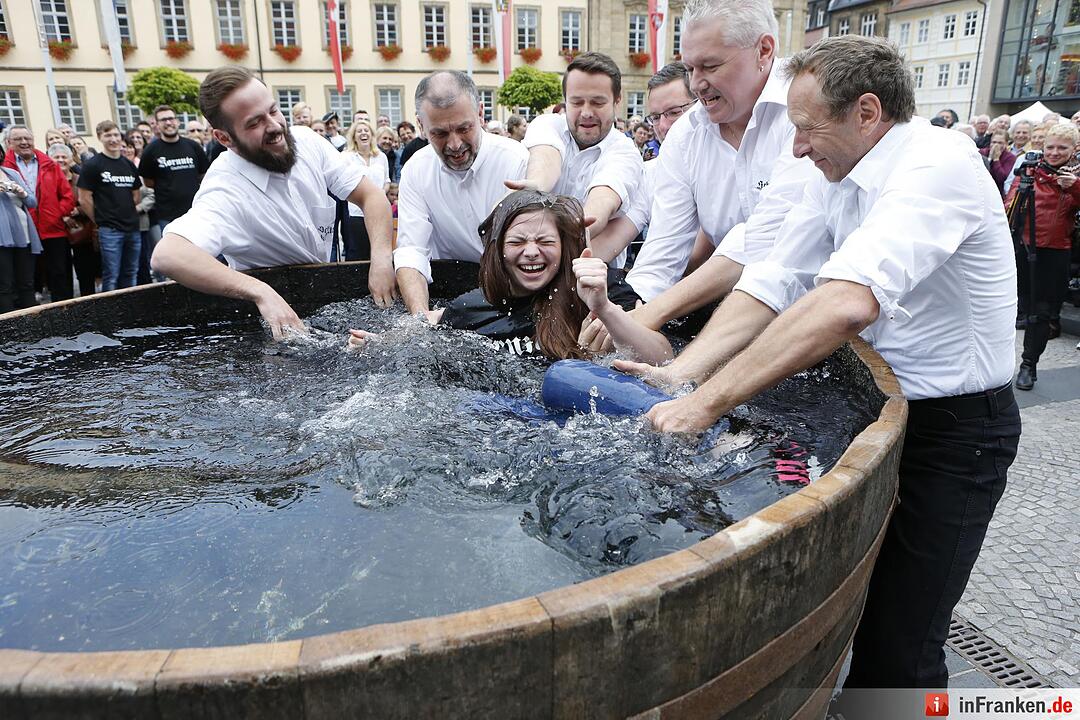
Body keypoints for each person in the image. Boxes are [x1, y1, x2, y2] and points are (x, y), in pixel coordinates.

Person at [618, 36, 1020, 695]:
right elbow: (774, 280)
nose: (797, 147)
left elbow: (843, 304)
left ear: (867, 112)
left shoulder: (937, 162)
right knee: (856, 604)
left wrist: (708, 403)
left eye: (806, 129)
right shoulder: (830, 169)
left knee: (903, 643)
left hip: (956, 434)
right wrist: (684, 372)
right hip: (879, 413)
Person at [151, 66, 395, 338]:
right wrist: (260, 291)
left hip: (326, 302)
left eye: (274, 110)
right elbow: (168, 255)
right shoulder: (225, 188)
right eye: (254, 123)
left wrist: (382, 258)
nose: (275, 127)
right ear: (223, 138)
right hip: (270, 324)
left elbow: (370, 196)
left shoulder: (306, 141)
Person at [618, 0, 815, 336]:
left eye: (709, 66)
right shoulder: (685, 135)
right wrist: (626, 311)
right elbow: (663, 253)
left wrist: (654, 313)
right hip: (731, 316)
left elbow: (767, 236)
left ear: (763, 50)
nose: (696, 84)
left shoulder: (806, 111)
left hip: (814, 320)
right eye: (690, 68)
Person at [349, 190, 664, 361]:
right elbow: (428, 323)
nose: (530, 252)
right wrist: (382, 344)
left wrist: (606, 310)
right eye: (517, 242)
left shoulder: (599, 288)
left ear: (564, 247)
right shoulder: (473, 309)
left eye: (545, 242)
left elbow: (663, 357)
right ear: (498, 252)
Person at [393, 70, 529, 315]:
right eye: (440, 133)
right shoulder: (416, 169)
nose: (455, 144)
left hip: (514, 288)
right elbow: (411, 250)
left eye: (464, 128)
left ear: (480, 113)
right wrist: (420, 318)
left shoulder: (516, 160)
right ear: (421, 126)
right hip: (450, 288)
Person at [513, 51, 644, 264]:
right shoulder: (547, 124)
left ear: (616, 101)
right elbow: (546, 158)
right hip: (533, 267)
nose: (586, 113)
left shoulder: (625, 151)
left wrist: (578, 225)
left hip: (595, 276)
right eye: (576, 102)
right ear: (565, 101)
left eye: (597, 103)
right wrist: (535, 187)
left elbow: (603, 198)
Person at [1006, 122, 1080, 390]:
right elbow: (1009, 205)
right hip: (1024, 249)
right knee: (1018, 306)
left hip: (1054, 253)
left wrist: (1074, 187)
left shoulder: (1075, 178)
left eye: (1062, 147)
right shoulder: (1029, 171)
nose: (1054, 152)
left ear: (1073, 150)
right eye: (1050, 146)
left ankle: (1029, 364)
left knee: (1041, 313)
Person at [2, 125, 77, 301]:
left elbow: (66, 195)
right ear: (8, 143)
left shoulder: (50, 164)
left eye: (27, 138)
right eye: (18, 139)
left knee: (59, 273)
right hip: (22, 231)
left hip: (53, 229)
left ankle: (63, 313)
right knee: (25, 277)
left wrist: (56, 214)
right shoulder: (5, 166)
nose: (24, 142)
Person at [78, 121, 142, 291]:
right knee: (112, 275)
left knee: (130, 272)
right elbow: (84, 199)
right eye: (108, 135)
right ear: (99, 137)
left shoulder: (128, 164)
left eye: (115, 135)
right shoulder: (93, 165)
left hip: (132, 228)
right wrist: (99, 219)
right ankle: (110, 314)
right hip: (110, 230)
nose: (113, 139)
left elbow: (136, 195)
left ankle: (130, 310)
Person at [139, 104, 209, 236]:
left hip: (196, 212)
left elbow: (203, 176)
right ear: (157, 125)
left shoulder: (193, 147)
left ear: (178, 121)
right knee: (174, 255)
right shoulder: (150, 151)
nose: (168, 122)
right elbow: (148, 182)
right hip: (167, 216)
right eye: (163, 120)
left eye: (171, 118)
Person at [48, 142, 97, 297]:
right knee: (61, 273)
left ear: (71, 159)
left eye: (64, 157)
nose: (61, 160)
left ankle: (88, 305)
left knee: (86, 273)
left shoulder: (80, 178)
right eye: (56, 157)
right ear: (50, 159)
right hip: (58, 232)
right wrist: (62, 214)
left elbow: (92, 201)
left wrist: (78, 210)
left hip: (82, 231)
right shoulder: (46, 179)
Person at [343, 120, 390, 261]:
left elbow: (387, 180)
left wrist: (381, 193)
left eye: (366, 130)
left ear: (371, 135)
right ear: (354, 137)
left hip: (379, 212)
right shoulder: (346, 157)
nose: (363, 133)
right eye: (359, 131)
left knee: (378, 252)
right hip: (357, 213)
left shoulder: (381, 157)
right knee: (359, 253)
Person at [0, 164, 42, 312]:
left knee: (26, 283)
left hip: (24, 236)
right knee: (4, 286)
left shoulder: (11, 173)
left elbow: (32, 202)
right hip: (1, 241)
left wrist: (21, 192)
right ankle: (8, 329)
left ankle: (32, 327)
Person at [980, 128, 1016, 196]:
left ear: (1006, 144)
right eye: (994, 142)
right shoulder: (982, 152)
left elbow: (1002, 178)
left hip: (997, 192)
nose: (996, 145)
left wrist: (996, 160)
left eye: (1000, 143)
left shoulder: (1010, 158)